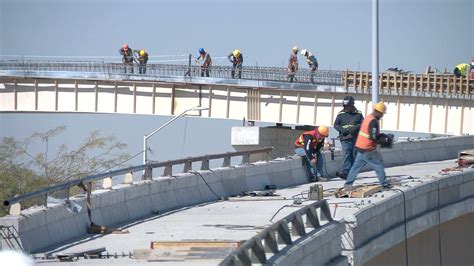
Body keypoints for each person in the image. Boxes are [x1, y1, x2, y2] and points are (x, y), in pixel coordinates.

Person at [344, 102, 391, 188]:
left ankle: (348, 184)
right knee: (379, 164)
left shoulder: (368, 117)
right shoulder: (373, 121)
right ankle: (384, 184)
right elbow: (373, 136)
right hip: (368, 148)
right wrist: (381, 140)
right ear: (378, 112)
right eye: (382, 114)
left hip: (360, 147)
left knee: (355, 167)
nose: (382, 116)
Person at [333, 96, 364, 180]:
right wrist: (342, 130)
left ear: (352, 105)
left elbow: (363, 124)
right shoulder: (341, 114)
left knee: (354, 155)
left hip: (355, 138)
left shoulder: (359, 114)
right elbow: (335, 125)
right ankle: (346, 172)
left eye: (348, 106)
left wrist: (355, 127)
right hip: (345, 138)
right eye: (345, 106)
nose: (346, 108)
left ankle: (352, 173)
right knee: (347, 154)